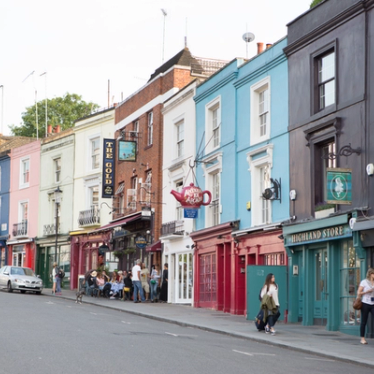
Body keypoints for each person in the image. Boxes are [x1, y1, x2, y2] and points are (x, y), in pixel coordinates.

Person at [357, 268, 374, 345]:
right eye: (373, 274)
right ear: (370, 274)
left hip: (373, 303)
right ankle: (362, 338)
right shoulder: (364, 282)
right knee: (364, 321)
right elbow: (359, 292)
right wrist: (367, 291)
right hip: (365, 303)